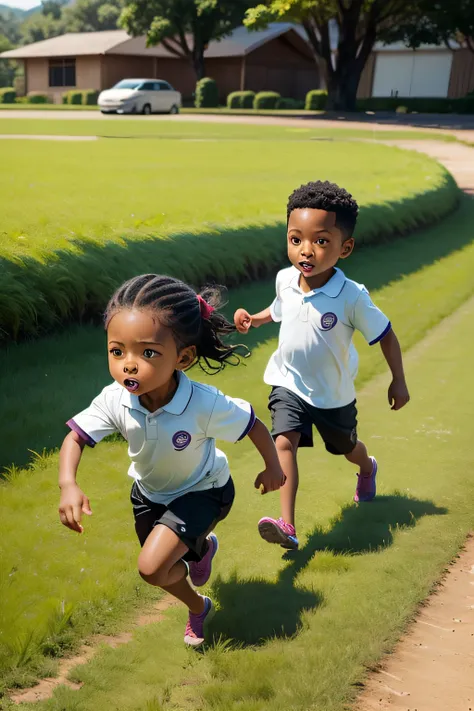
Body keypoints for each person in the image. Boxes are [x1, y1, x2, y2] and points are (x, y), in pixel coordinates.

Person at [58, 274, 285, 646]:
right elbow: (76, 437)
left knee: (150, 566)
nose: (128, 365)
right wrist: (68, 483)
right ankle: (200, 591)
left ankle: (196, 581)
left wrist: (272, 466)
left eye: (147, 353)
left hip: (204, 491)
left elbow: (253, 425)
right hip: (149, 495)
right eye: (117, 351)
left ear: (183, 357)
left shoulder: (203, 403)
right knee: (163, 570)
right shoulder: (115, 398)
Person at [234, 180, 410, 551]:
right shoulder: (286, 280)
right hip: (288, 382)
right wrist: (256, 318)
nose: (306, 251)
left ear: (345, 247)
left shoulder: (352, 296)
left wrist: (398, 380)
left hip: (333, 395)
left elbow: (387, 335)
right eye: (296, 239)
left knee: (347, 448)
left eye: (321, 241)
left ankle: (367, 468)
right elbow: (279, 309)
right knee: (284, 442)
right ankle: (289, 525)